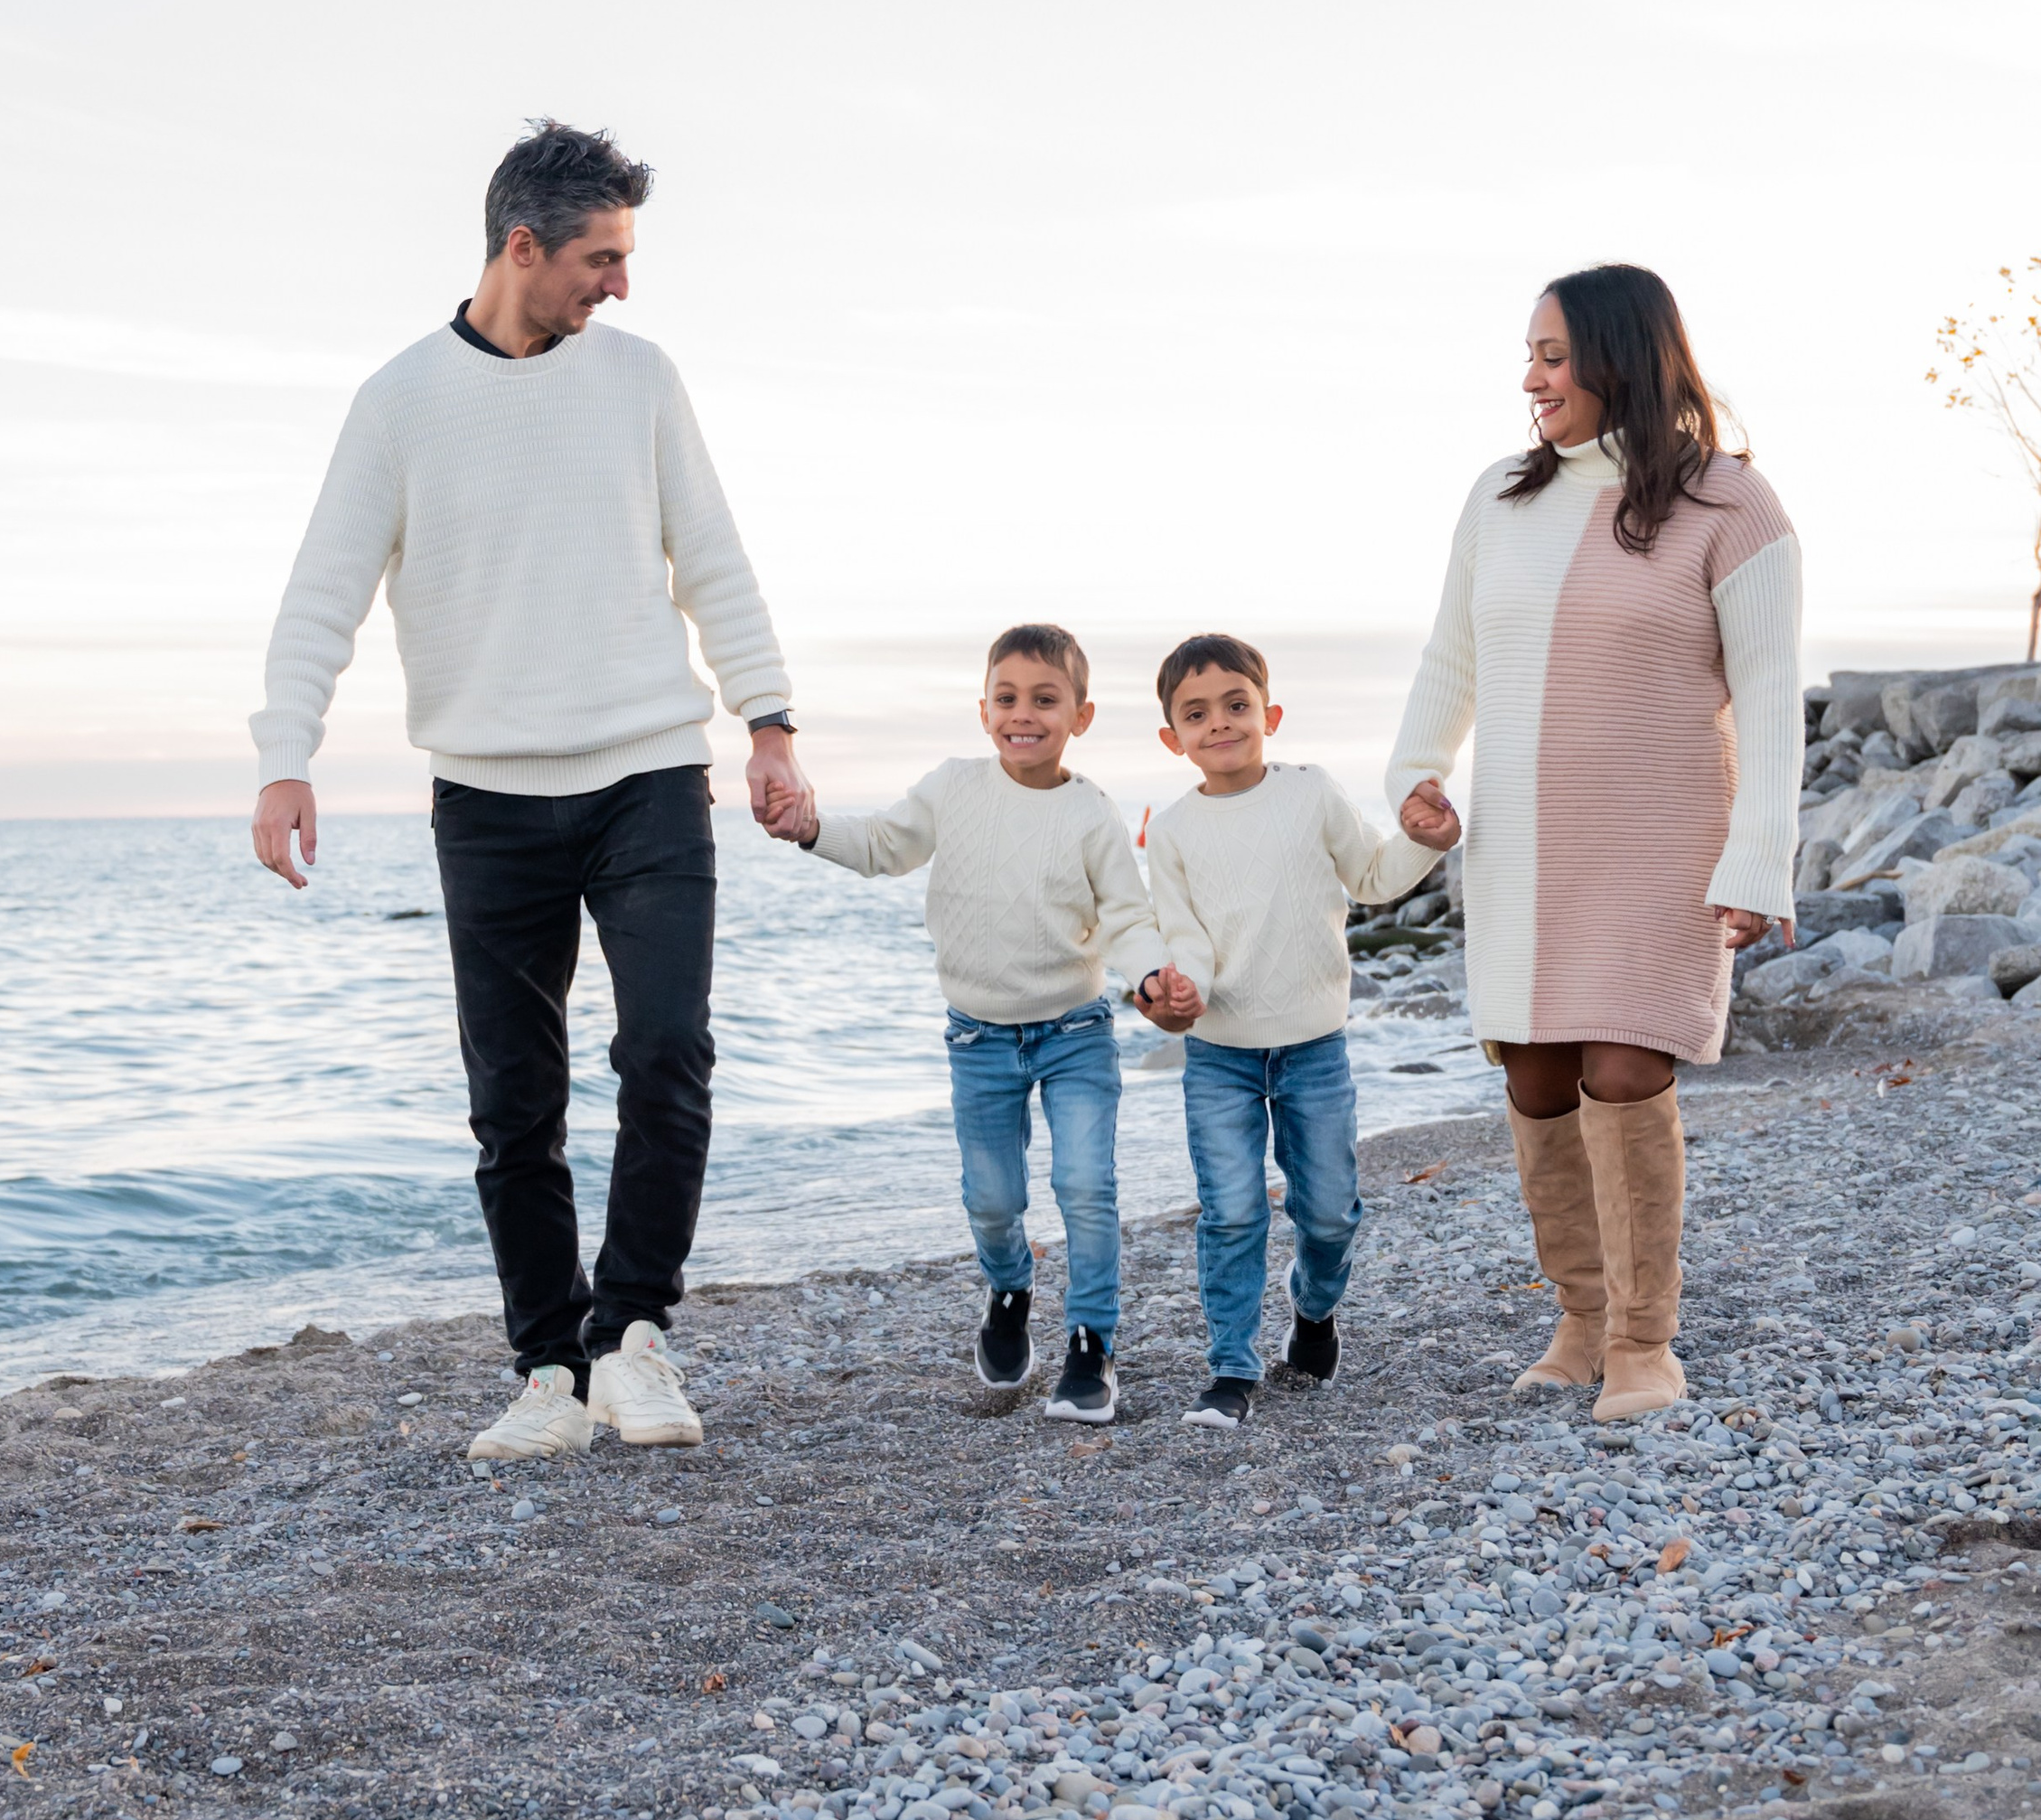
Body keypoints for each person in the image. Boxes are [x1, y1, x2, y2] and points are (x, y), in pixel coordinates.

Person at [249, 119, 810, 1467]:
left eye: (625, 256)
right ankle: (549, 1367)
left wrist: (772, 724)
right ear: (521, 245)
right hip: (488, 797)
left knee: (667, 1051)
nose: (619, 283)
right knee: (516, 1099)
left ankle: (636, 1338)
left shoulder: (641, 379)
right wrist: (285, 752)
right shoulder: (398, 402)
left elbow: (714, 560)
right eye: (601, 258)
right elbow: (323, 587)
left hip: (650, 774)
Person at [1388, 263, 1800, 1424]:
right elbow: (1449, 656)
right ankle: (1576, 1319)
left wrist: (1759, 856)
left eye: (1553, 355)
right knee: (1533, 1071)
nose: (1531, 378)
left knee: (1625, 1062)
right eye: (1531, 355)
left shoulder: (1732, 506)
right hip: (1521, 834)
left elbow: (1770, 695)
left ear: (1623, 354)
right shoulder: (1500, 498)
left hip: (1662, 832)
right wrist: (1414, 770)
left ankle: (1639, 1341)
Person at [766, 627, 1196, 1423]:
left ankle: (1091, 1346)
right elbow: (885, 845)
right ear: (984, 709)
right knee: (993, 1200)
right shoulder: (953, 788)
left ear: (1081, 714)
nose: (1023, 714)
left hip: (1074, 1032)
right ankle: (1009, 1287)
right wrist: (810, 826)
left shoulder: (1092, 813)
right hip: (978, 1038)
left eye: (1044, 699)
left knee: (1085, 1188)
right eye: (1007, 698)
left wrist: (1147, 977)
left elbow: (1130, 917)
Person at [1138, 634, 1459, 1425]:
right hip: (1218, 1053)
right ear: (1171, 737)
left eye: (1236, 705)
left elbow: (1375, 878)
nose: (1220, 723)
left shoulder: (1311, 794)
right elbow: (1183, 937)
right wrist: (1181, 991)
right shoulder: (1175, 830)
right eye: (1197, 713)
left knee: (1329, 1211)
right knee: (1233, 1211)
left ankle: (1314, 1311)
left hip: (1315, 1047)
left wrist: (1424, 838)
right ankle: (1231, 1369)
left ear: (1269, 714)